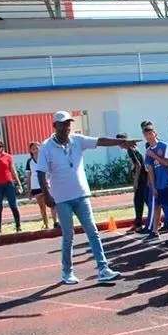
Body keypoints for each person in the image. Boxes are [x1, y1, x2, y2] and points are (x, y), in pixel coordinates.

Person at [35, 111, 135, 284]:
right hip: (61, 198)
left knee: (93, 232)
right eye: (63, 124)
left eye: (68, 123)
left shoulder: (77, 140)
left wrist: (122, 142)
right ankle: (67, 272)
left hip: (81, 194)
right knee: (69, 235)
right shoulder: (46, 147)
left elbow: (100, 141)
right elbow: (41, 172)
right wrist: (47, 194)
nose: (67, 127)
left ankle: (103, 269)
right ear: (54, 126)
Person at [0, 138, 23, 234]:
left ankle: (18, 226)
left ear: (3, 146)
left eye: (0, 146)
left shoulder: (8, 157)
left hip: (8, 184)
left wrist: (18, 183)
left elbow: (13, 171)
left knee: (13, 205)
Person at [142, 124, 168, 241]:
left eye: (150, 133)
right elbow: (150, 170)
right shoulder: (148, 152)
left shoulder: (164, 146)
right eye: (146, 134)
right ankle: (154, 231)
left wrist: (155, 156)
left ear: (155, 133)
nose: (148, 136)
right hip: (158, 184)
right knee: (157, 206)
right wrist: (152, 186)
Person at [26, 141, 59, 230]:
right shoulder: (29, 162)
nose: (35, 150)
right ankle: (46, 224)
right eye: (33, 149)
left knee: (52, 204)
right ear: (30, 150)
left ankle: (55, 222)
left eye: (37, 148)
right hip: (36, 186)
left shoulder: (45, 159)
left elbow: (50, 172)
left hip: (46, 185)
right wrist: (28, 190)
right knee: (42, 206)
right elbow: (28, 177)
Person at [123, 133, 149, 233]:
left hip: (141, 178)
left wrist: (135, 181)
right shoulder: (133, 148)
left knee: (138, 201)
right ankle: (155, 220)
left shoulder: (130, 150)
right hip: (143, 177)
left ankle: (138, 225)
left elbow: (138, 165)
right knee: (146, 200)